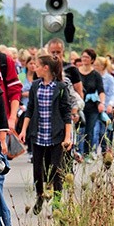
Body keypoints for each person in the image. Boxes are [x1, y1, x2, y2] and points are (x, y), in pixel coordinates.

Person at [18, 54, 72, 214]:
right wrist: (23, 130)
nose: (35, 67)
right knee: (37, 169)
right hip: (38, 133)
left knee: (56, 169)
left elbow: (66, 113)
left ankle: (56, 200)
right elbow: (31, 109)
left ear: (46, 68)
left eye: (37, 65)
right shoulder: (35, 85)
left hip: (56, 134)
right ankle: (40, 196)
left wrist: (67, 137)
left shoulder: (60, 87)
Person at [77, 48, 105, 157]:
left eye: (87, 57)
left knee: (89, 130)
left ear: (92, 60)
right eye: (83, 56)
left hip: (91, 106)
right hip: (79, 105)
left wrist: (102, 102)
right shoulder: (76, 72)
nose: (84, 59)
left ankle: (87, 153)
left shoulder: (96, 75)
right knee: (78, 130)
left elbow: (101, 90)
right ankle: (77, 152)